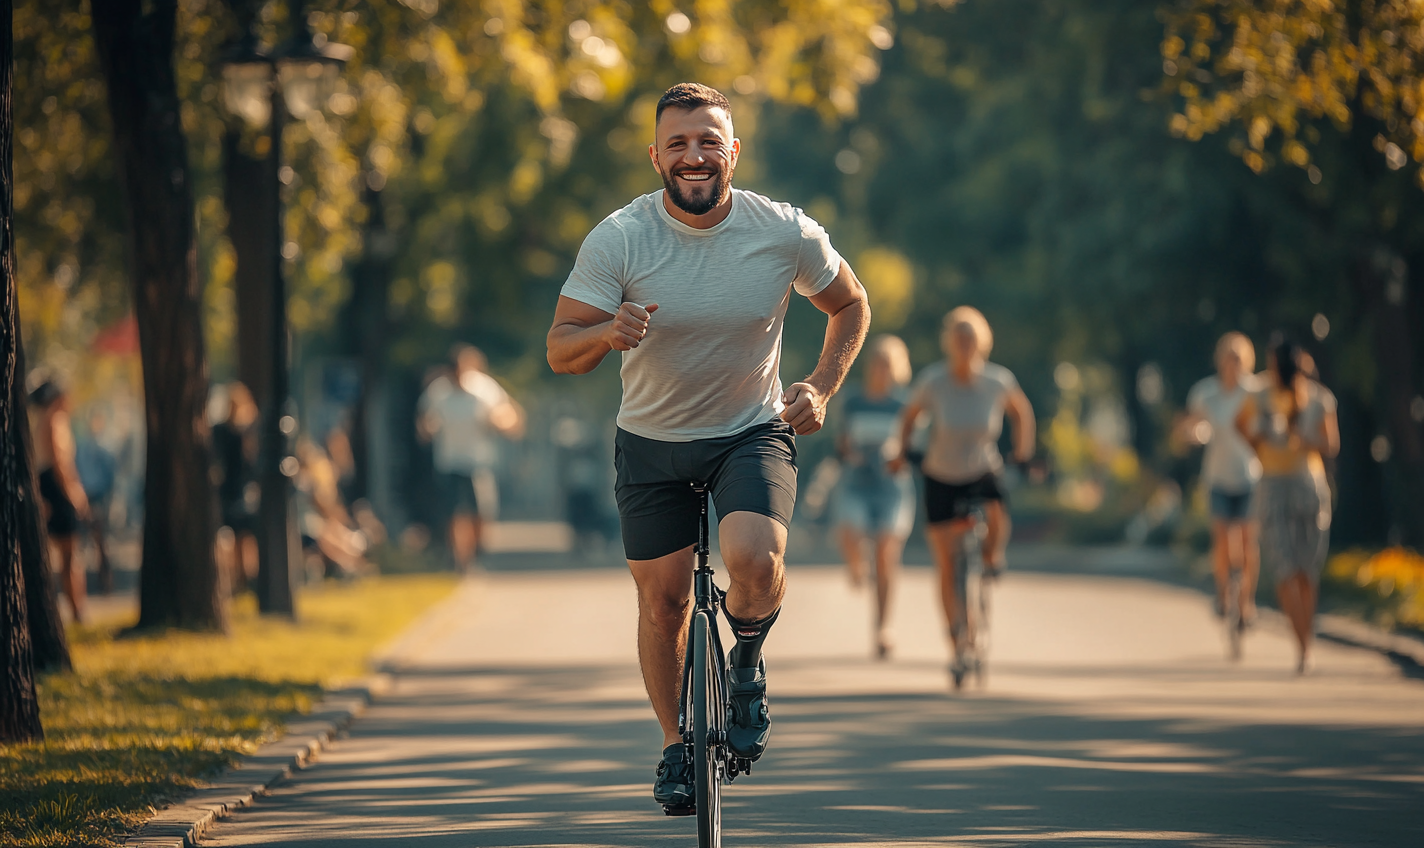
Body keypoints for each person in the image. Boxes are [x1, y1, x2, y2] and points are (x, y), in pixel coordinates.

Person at [546, 83, 870, 811]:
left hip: (749, 432)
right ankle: (673, 746)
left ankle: (747, 660)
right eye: (679, 143)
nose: (695, 156)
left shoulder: (783, 230)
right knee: (663, 606)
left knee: (756, 558)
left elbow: (851, 303)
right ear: (656, 154)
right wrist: (606, 332)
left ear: (733, 151)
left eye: (709, 141)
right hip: (651, 443)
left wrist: (820, 384)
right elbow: (560, 349)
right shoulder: (620, 238)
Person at [890, 306, 1034, 679]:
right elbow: (909, 417)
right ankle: (956, 642)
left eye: (971, 338)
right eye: (958, 338)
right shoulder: (933, 381)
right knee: (946, 562)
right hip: (941, 473)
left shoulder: (998, 381)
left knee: (998, 506)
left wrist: (1022, 453)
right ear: (949, 343)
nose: (964, 345)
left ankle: (992, 556)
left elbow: (1021, 412)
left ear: (982, 343)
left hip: (982, 468)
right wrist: (901, 451)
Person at [1237, 339, 1339, 674]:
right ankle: (1302, 646)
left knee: (1306, 570)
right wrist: (1259, 442)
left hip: (1307, 485)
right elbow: (1242, 429)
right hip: (1271, 485)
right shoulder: (1259, 396)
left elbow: (1330, 445)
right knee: (1282, 567)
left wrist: (1301, 436)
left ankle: (1304, 640)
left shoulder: (1319, 398)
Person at [832, 334, 915, 659]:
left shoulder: (905, 405)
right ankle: (855, 566)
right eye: (877, 364)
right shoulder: (853, 401)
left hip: (892, 485)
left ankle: (883, 627)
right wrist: (850, 452)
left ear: (897, 370)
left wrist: (898, 452)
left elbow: (914, 446)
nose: (881, 370)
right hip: (856, 481)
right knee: (849, 531)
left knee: (886, 553)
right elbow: (841, 442)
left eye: (887, 365)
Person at [416, 344, 525, 572]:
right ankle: (461, 561)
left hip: (479, 461)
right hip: (450, 460)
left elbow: (507, 414)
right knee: (455, 513)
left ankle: (476, 552)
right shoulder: (439, 391)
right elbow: (425, 419)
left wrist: (502, 423)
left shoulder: (484, 388)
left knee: (481, 512)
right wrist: (427, 428)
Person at [1181, 332, 1262, 623]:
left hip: (1249, 476)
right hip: (1217, 477)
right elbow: (1193, 425)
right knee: (1222, 540)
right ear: (1220, 361)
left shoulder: (1256, 392)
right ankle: (1223, 594)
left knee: (1247, 542)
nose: (1234, 364)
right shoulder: (1205, 393)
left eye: (1239, 358)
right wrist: (1193, 434)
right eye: (1229, 358)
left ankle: (1247, 601)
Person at [28, 380, 90, 622]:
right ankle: (77, 610)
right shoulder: (54, 421)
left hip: (49, 486)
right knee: (69, 554)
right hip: (57, 488)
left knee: (65, 555)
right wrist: (74, 493)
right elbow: (60, 463)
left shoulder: (43, 420)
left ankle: (74, 608)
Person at [211, 382, 260, 592]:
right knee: (238, 539)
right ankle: (240, 580)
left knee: (241, 539)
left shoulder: (236, 432)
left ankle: (242, 580)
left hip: (234, 491)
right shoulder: (229, 433)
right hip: (234, 492)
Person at [74, 407, 117, 594]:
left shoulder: (104, 448)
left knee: (101, 541)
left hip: (98, 497)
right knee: (80, 542)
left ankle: (105, 582)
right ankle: (83, 587)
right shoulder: (82, 447)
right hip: (85, 497)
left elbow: (110, 475)